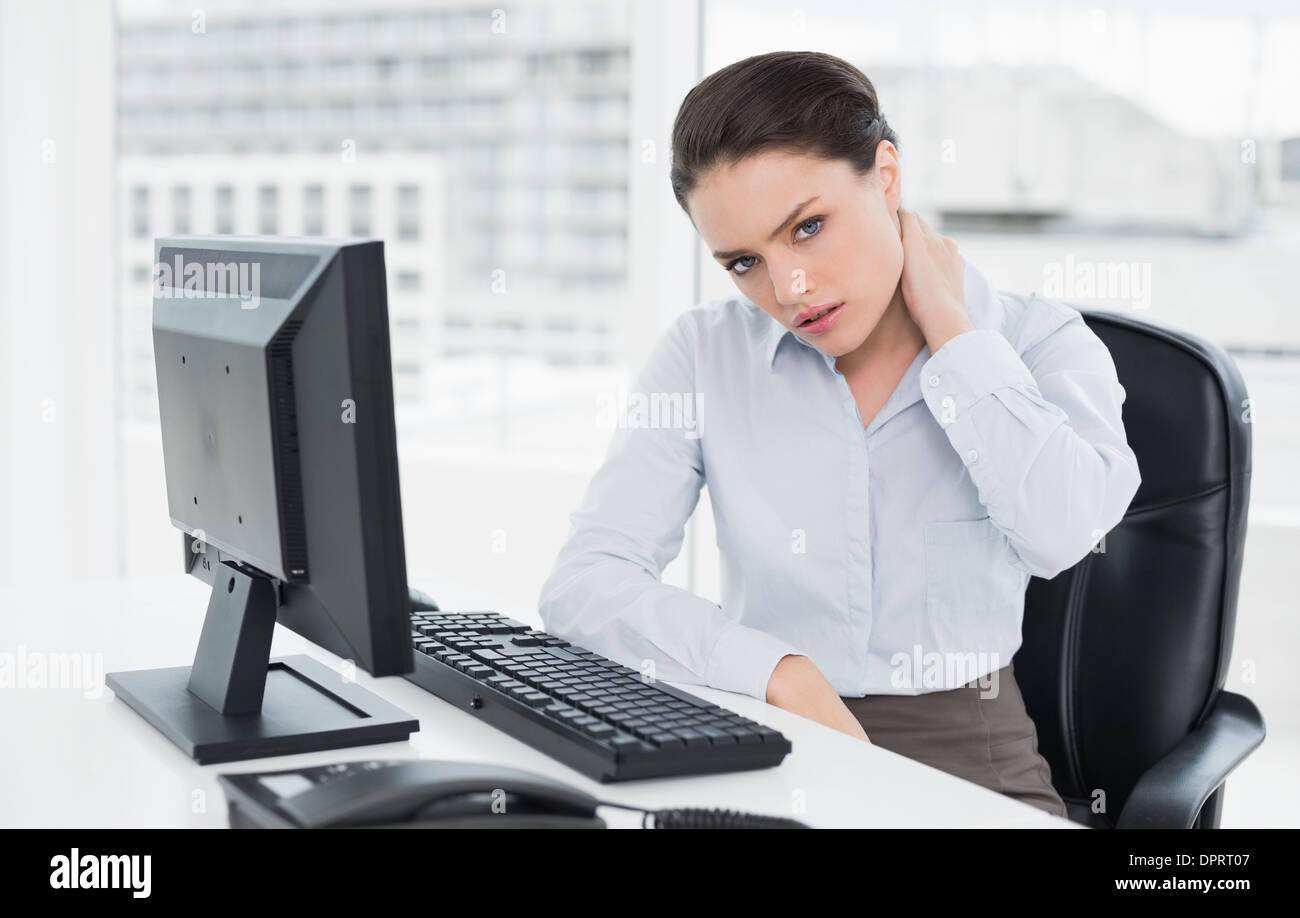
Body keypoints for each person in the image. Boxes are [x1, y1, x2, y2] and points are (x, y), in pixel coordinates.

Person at [538, 51, 1141, 820]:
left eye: (808, 227)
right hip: (763, 725)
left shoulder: (1035, 339)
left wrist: (952, 333)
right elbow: (583, 584)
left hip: (962, 746)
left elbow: (1063, 533)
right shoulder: (703, 353)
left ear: (885, 178)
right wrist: (775, 670)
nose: (788, 289)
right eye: (745, 262)